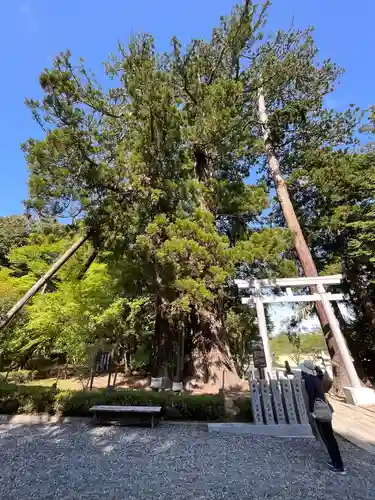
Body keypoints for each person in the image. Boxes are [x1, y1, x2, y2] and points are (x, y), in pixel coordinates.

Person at [299, 360, 346, 475]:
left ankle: (339, 466)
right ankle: (335, 462)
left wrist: (311, 411)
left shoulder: (309, 380)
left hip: (320, 411)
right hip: (325, 409)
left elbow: (311, 397)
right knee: (329, 438)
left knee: (328, 438)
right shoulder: (317, 378)